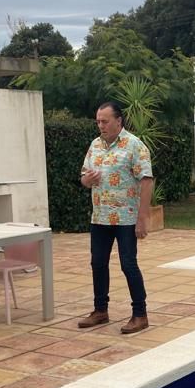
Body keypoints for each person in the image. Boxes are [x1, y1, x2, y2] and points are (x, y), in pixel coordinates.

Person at [78, 101, 153, 334]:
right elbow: (83, 177)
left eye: (105, 121)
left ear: (118, 121)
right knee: (98, 263)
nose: (101, 125)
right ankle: (100, 310)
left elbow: (147, 181)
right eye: (98, 121)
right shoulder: (95, 145)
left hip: (126, 218)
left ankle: (140, 314)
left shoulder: (134, 145)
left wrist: (142, 218)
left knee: (128, 265)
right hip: (100, 216)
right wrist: (87, 180)